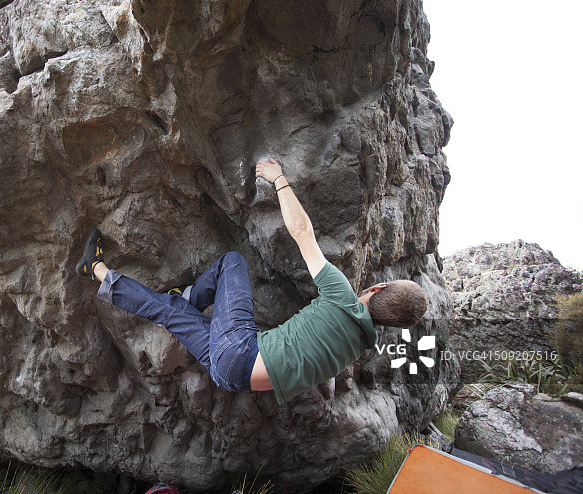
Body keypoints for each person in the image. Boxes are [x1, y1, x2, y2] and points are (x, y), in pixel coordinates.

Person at [76, 158, 428, 404]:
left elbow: (303, 233)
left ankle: (188, 297)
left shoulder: (344, 298)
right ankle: (96, 269)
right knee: (170, 312)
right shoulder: (360, 346)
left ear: (378, 289)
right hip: (230, 378)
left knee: (232, 261)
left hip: (240, 349)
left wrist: (279, 179)